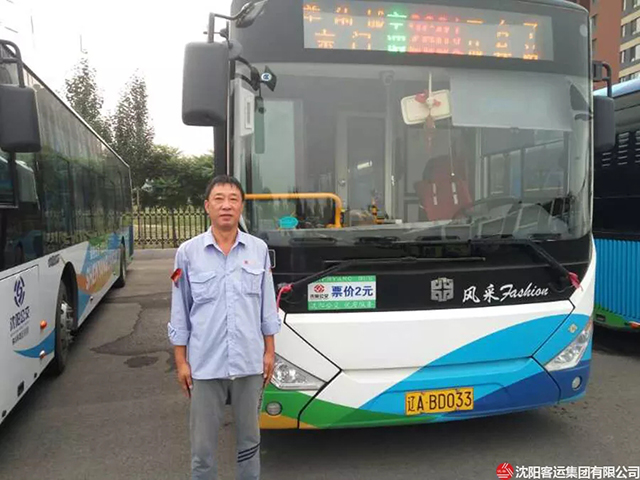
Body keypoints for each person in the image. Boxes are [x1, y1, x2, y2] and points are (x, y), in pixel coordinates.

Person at [168, 175, 280, 480]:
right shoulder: (188, 253)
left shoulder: (258, 250)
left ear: (241, 206)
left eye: (233, 199)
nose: (226, 205)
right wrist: (181, 361)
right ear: (207, 206)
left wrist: (270, 352)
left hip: (249, 362)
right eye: (219, 199)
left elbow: (267, 307)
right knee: (202, 449)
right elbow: (180, 310)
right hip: (205, 364)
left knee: (250, 442)